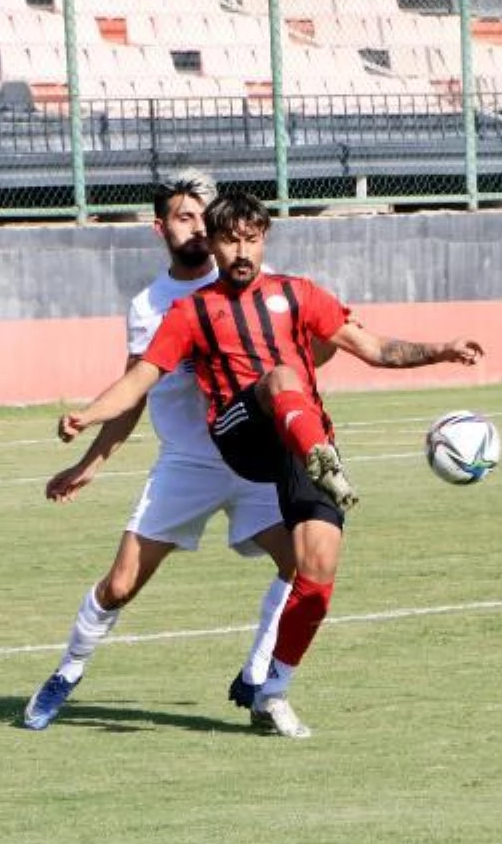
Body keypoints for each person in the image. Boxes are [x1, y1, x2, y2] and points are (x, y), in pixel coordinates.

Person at [59, 190, 484, 738]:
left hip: (297, 440)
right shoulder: (189, 312)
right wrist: (88, 415)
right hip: (240, 433)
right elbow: (140, 380)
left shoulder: (298, 294)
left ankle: (273, 690)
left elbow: (373, 347)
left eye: (251, 240)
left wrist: (442, 349)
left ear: (264, 241)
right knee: (281, 378)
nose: (241, 251)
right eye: (230, 240)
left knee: (318, 571)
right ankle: (318, 455)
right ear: (212, 244)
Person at [23, 171, 302, 731]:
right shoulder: (152, 306)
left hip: (255, 464)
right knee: (121, 584)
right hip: (189, 464)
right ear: (160, 228)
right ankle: (67, 672)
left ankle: (260, 685)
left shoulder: (265, 287)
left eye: (205, 215)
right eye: (183, 217)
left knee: (303, 565)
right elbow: (133, 392)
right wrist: (90, 462)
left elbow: (305, 350)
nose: (198, 227)